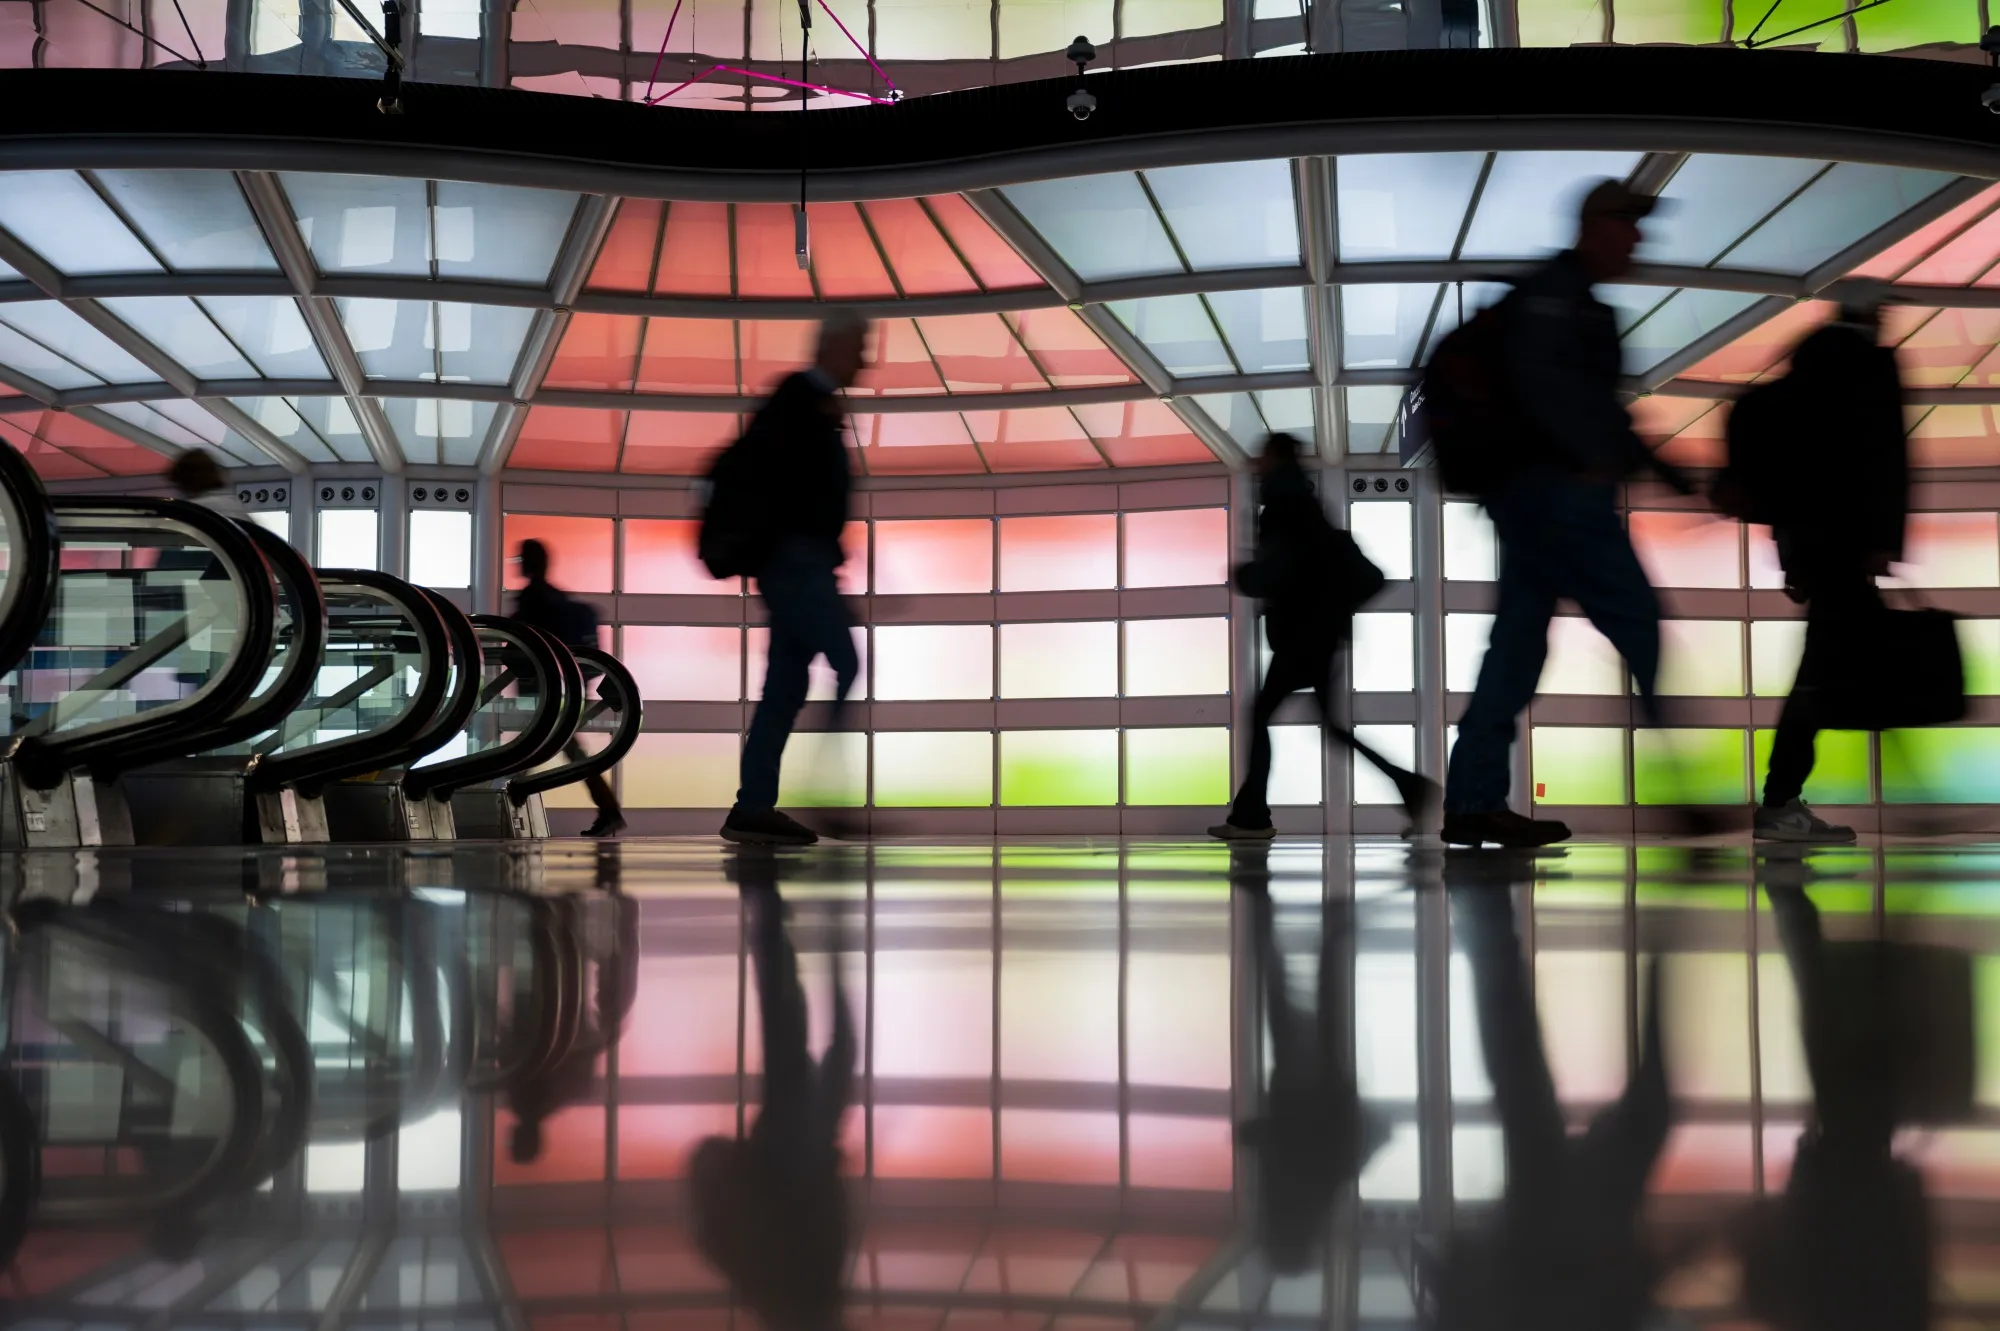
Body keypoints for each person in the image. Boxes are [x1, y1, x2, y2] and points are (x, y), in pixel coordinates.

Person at [1441, 180, 1697, 849]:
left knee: (1518, 644)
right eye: (1628, 224)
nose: (1639, 239)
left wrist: (1663, 468)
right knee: (1636, 616)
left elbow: (1596, 406)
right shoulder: (1557, 301)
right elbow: (1558, 395)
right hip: (1557, 495)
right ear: (1593, 226)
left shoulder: (1569, 303)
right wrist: (1596, 460)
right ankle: (1686, 793)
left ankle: (1473, 801)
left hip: (1535, 494)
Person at [1427, 871, 1673, 1330]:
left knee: (1530, 1090)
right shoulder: (1589, 1197)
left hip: (1560, 1251)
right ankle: (1486, 919)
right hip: (1542, 1252)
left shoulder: (1606, 1191)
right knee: (1523, 1087)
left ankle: (1486, 920)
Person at [1720, 294, 1907, 844]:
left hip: (1810, 545)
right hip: (1848, 545)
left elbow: (1789, 478)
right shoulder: (1868, 370)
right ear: (1870, 321)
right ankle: (1781, 800)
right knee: (1828, 669)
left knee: (1826, 664)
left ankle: (1783, 799)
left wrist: (1792, 554)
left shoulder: (1796, 381)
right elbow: (1885, 457)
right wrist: (1882, 541)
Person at [1210, 432, 1437, 841]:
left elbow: (1282, 567)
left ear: (1276, 457)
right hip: (1321, 637)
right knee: (1330, 727)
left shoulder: (1284, 506)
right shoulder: (1306, 505)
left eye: (1263, 455)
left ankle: (1252, 817)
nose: (1257, 462)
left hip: (1302, 637)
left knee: (1260, 715)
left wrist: (1246, 576)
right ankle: (1410, 787)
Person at [1735, 877, 1933, 1330]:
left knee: (1839, 1049)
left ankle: (1804, 926)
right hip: (1841, 1178)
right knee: (1832, 1044)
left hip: (1857, 1180)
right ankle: (1800, 922)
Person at [721, 312, 869, 847]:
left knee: (784, 688)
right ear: (833, 347)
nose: (865, 359)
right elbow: (794, 490)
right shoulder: (802, 398)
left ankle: (753, 807)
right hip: (796, 565)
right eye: (859, 347)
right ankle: (828, 799)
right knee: (846, 661)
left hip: (799, 565)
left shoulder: (811, 403)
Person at [690, 853, 856, 1328]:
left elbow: (828, 1226)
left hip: (800, 1150)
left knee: (807, 1032)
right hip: (795, 1149)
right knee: (794, 1027)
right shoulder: (770, 1288)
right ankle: (777, 917)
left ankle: (778, 915)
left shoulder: (794, 1291)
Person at [1232, 844, 1390, 1270]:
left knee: (1325, 1001)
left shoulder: (1319, 1193)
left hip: (1325, 1085)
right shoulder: (1288, 1190)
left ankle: (1330, 929)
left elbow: (1358, 1145)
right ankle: (1267, 919)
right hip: (1300, 1085)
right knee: (1284, 995)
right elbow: (1268, 1141)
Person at [512, 537, 625, 837]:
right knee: (550, 748)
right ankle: (608, 810)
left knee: (534, 747)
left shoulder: (534, 599)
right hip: (567, 690)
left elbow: (522, 641)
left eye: (521, 559)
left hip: (547, 693)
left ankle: (509, 795)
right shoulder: (555, 599)